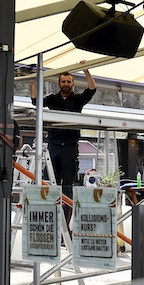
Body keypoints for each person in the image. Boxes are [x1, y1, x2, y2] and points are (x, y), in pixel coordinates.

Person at [31, 67, 96, 204]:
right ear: (59, 84)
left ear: (72, 84)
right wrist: (33, 83)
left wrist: (85, 71)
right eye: (63, 81)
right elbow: (35, 102)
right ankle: (49, 211)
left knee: (67, 184)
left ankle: (66, 217)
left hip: (69, 146)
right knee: (49, 179)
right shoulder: (53, 99)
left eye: (68, 81)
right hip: (54, 145)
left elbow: (91, 90)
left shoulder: (77, 100)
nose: (66, 84)